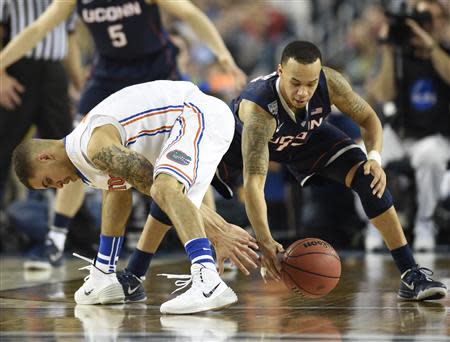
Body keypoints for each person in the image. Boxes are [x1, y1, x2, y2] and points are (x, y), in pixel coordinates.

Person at [0, 0, 247, 270]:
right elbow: (38, 28)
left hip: (154, 65)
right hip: (109, 72)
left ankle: (211, 242)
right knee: (72, 153)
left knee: (187, 159)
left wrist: (221, 53)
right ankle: (57, 239)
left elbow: (188, 12)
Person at [215, 40, 445, 301]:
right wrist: (265, 241)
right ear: (280, 71)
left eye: (310, 84)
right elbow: (255, 185)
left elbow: (369, 119)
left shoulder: (330, 82)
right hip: (236, 144)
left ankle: (411, 274)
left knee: (368, 178)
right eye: (295, 83)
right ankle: (204, 265)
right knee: (182, 189)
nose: (303, 92)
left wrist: (374, 158)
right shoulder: (259, 109)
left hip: (305, 138)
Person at [12, 80, 259, 314]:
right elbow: (118, 193)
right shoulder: (81, 156)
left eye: (48, 181)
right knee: (153, 189)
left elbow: (154, 185)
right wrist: (105, 270)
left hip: (197, 113)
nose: (57, 186)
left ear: (45, 157)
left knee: (163, 188)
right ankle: (104, 274)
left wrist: (218, 229)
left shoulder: (95, 147)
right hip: (180, 125)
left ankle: (208, 281)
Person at [366, 0, 450, 252]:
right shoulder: (401, 54)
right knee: (362, 155)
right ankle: (375, 224)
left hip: (436, 136)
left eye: (429, 19)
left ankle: (425, 223)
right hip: (400, 133)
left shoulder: (444, 50)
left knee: (430, 157)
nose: (422, 26)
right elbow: (382, 94)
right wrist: (388, 49)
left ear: (442, 23)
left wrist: (432, 46)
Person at [0, 0, 82, 211]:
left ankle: (75, 236)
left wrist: (80, 83)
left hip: (54, 74)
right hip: (16, 73)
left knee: (67, 157)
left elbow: (69, 34)